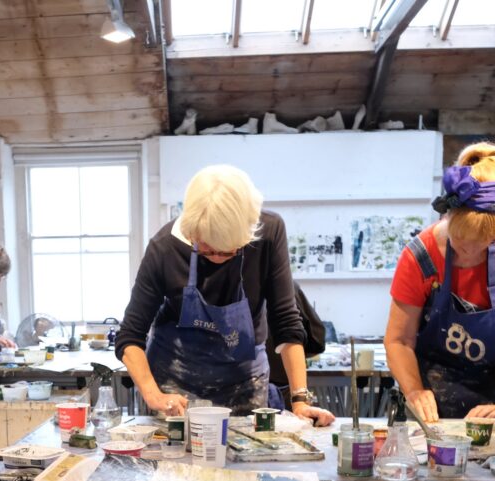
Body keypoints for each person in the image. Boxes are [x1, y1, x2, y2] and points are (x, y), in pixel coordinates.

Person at [115, 165, 335, 426]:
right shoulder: (164, 248)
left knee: (248, 457)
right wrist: (154, 395)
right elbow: (130, 336)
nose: (218, 259)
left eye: (228, 251)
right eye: (207, 250)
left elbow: (286, 322)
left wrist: (300, 400)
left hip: (245, 381)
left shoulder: (269, 232)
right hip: (176, 382)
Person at [385, 142, 495, 421]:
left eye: (483, 245)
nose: (469, 254)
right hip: (439, 393)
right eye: (458, 244)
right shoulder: (420, 256)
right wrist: (414, 392)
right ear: (447, 216)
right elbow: (398, 340)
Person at [266, 281, 327, 410]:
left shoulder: (285, 286)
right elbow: (317, 340)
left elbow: (316, 340)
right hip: (284, 389)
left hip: (288, 393)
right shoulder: (287, 286)